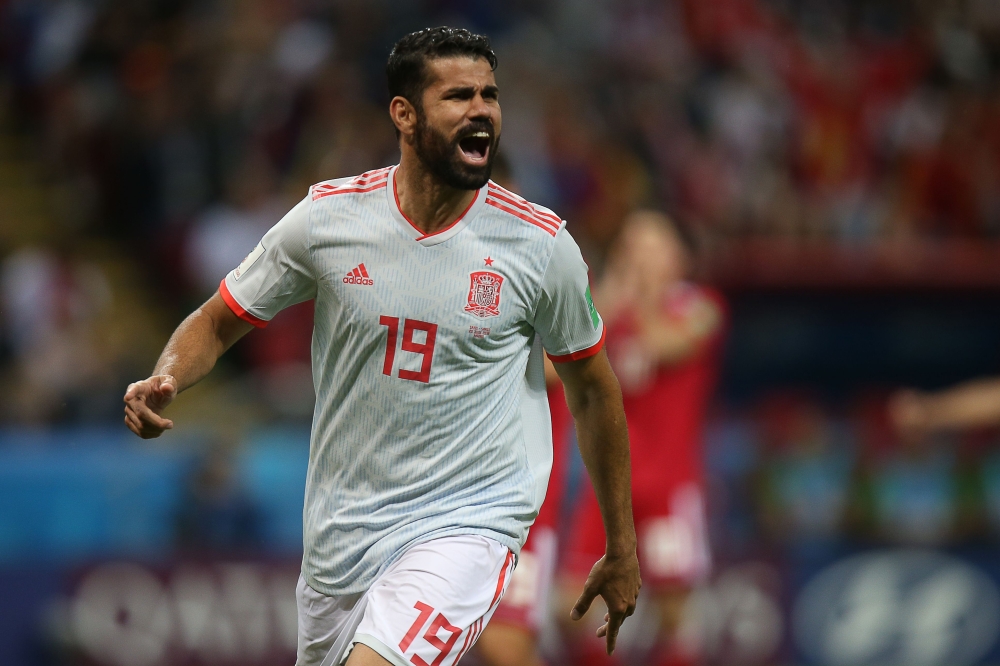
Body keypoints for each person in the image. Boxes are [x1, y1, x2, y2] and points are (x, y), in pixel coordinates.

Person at [122, 27, 640, 666]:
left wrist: (622, 548)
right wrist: (165, 375)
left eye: (490, 95)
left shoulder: (540, 247)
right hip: (340, 543)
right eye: (458, 96)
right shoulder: (330, 220)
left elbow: (594, 390)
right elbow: (220, 318)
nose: (481, 109)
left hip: (468, 526)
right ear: (404, 113)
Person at [560, 211, 725, 666]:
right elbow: (563, 361)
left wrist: (643, 298)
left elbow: (663, 345)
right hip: (609, 486)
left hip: (670, 485)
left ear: (678, 256)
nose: (641, 255)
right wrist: (613, 295)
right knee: (573, 604)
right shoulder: (608, 311)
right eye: (632, 246)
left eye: (652, 244)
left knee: (675, 613)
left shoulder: (701, 307)